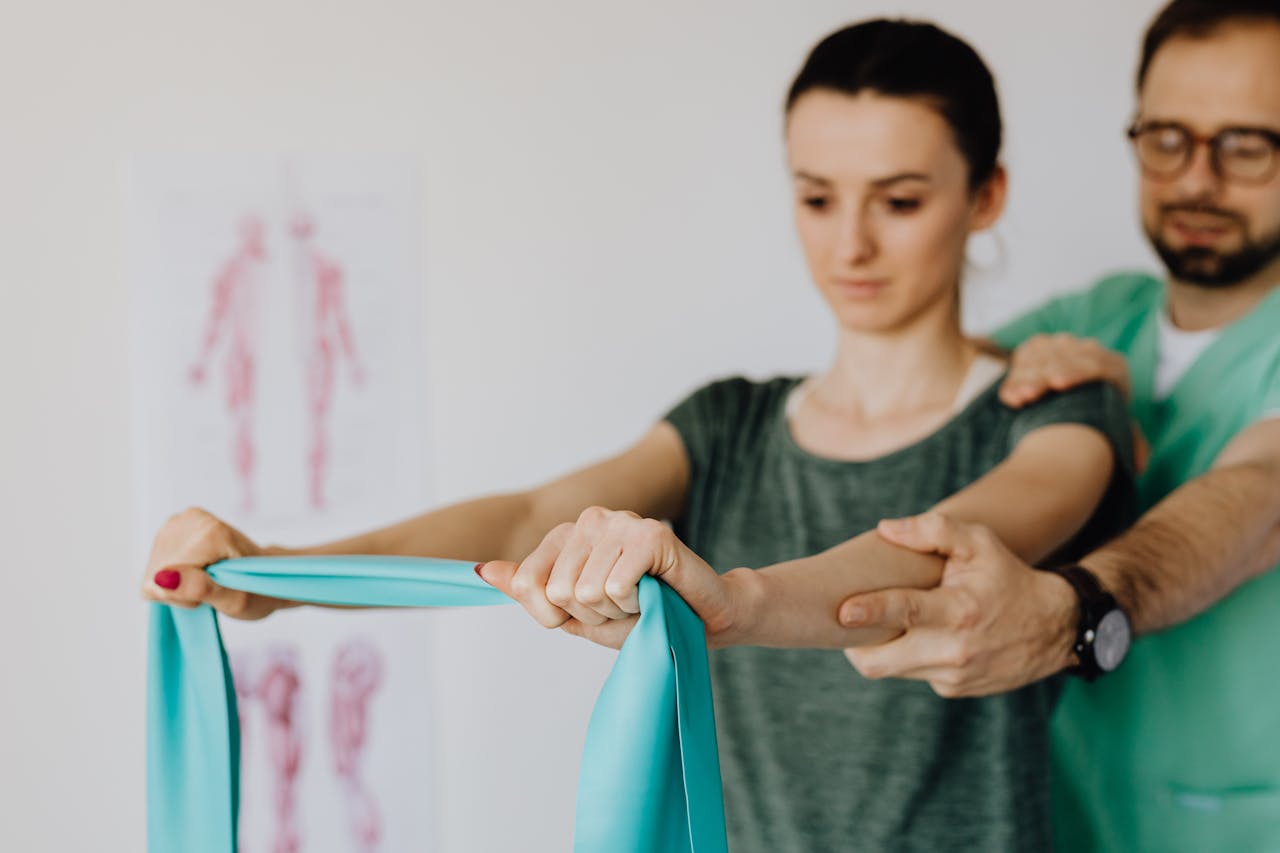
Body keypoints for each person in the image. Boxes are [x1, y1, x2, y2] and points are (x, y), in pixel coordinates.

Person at [143, 19, 1134, 851]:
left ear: (985, 196)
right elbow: (532, 512)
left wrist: (734, 600)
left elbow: (933, 551)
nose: (850, 243)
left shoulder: (1055, 410)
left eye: (900, 200)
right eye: (816, 196)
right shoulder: (731, 421)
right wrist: (273, 574)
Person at [820, 2, 1280, 850]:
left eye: (1247, 145)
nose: (1196, 179)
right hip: (1061, 818)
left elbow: (1258, 498)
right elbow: (929, 390)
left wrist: (1074, 606)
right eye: (1167, 138)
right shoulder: (1096, 319)